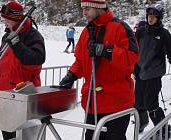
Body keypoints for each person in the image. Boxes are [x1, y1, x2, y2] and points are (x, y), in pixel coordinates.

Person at [60, 0, 139, 139]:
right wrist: (71, 75)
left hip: (116, 104)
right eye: (83, 8)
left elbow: (133, 57)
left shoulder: (120, 27)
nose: (84, 13)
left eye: (87, 8)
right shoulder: (86, 31)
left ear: (99, 7)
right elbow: (81, 60)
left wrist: (107, 50)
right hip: (92, 103)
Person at [0, 1, 45, 140]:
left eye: (5, 18)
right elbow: (3, 56)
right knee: (8, 135)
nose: (3, 21)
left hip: (23, 96)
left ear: (14, 18)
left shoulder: (33, 36)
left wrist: (17, 44)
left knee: (24, 137)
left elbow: (37, 59)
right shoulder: (8, 35)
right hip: (5, 94)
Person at [134, 4, 171, 134]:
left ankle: (164, 130)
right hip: (140, 72)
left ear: (159, 18)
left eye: (154, 17)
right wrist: (134, 67)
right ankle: (142, 123)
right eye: (149, 16)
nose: (151, 19)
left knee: (151, 103)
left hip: (154, 73)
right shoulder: (141, 32)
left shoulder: (164, 34)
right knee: (138, 102)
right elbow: (133, 50)